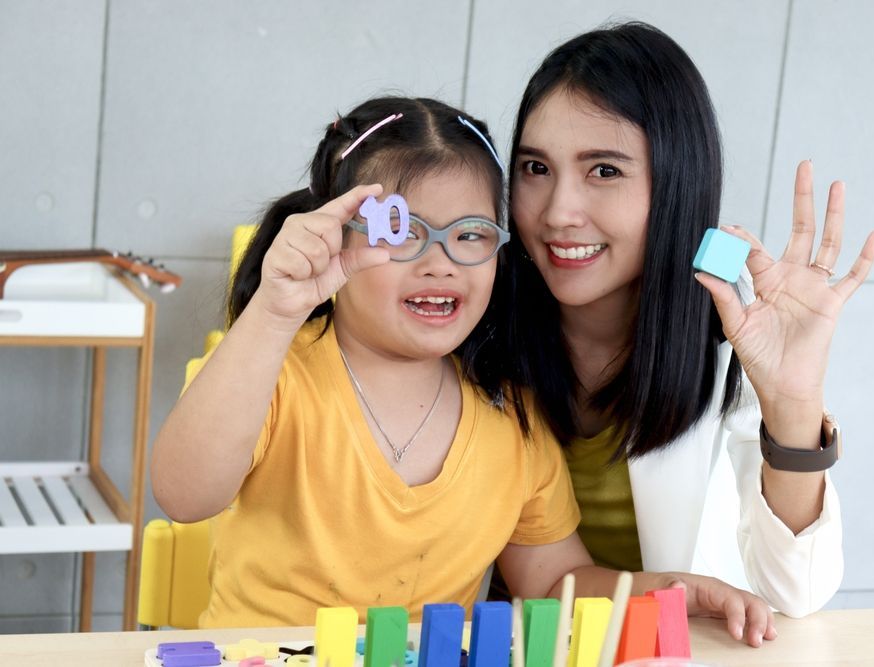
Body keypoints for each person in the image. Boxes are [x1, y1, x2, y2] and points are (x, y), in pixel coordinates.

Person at [149, 95, 776, 639]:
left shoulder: (512, 418)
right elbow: (183, 495)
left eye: (471, 233)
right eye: (401, 232)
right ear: (334, 235)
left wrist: (671, 590)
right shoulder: (274, 370)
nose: (440, 262)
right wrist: (272, 312)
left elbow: (552, 581)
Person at [469, 22, 874, 630]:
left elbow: (798, 589)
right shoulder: (474, 307)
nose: (558, 212)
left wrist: (793, 403)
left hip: (661, 643)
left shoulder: (732, 318)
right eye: (536, 167)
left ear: (676, 185)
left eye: (604, 171)